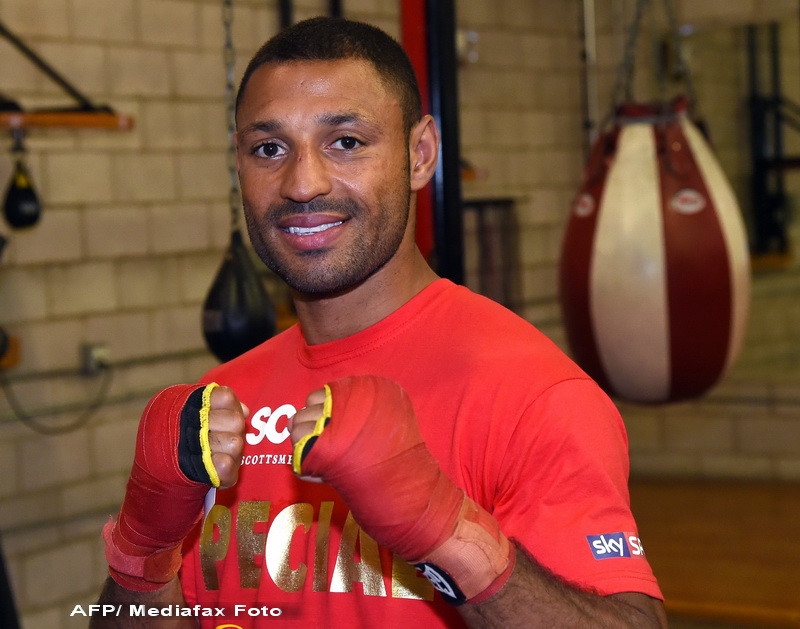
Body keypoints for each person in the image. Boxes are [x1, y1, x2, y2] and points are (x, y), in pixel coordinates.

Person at [92, 16, 667, 628]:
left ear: (420, 154)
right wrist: (141, 549)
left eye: (346, 142)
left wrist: (450, 536)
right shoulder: (222, 402)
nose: (303, 183)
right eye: (269, 148)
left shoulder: (530, 395)